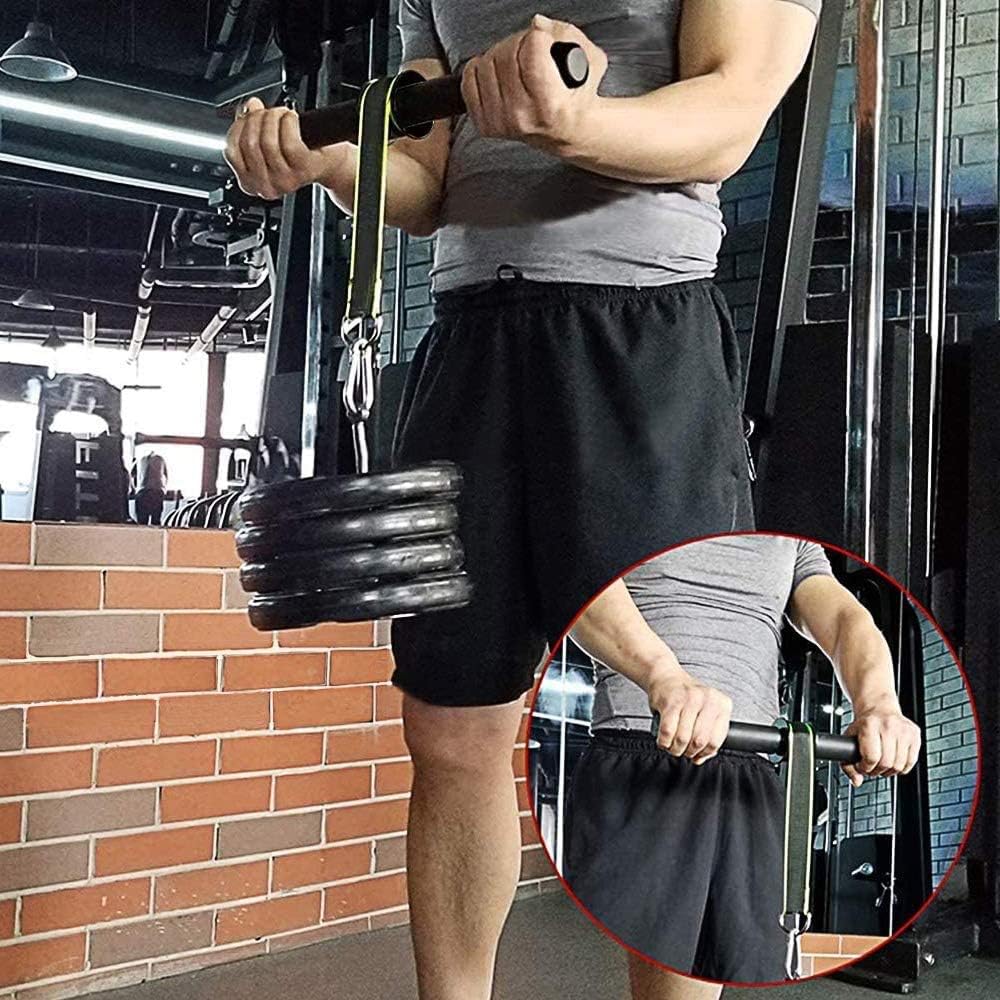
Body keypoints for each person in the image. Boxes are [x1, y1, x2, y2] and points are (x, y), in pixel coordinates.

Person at [225, 3, 823, 997]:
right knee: (451, 730)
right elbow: (427, 182)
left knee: (677, 738)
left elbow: (728, 114)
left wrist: (578, 123)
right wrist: (332, 164)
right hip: (469, 340)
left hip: (639, 338)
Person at [566, 534, 923, 989]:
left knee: (745, 968)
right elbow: (583, 585)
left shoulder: (789, 533)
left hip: (752, 771)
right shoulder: (640, 498)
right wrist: (664, 675)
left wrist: (878, 703)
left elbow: (842, 617)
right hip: (650, 748)